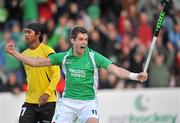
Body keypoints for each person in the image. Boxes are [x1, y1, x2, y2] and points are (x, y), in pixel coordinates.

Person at [6, 26, 147, 123]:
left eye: (86, 39)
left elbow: (116, 70)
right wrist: (15, 53)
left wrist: (135, 76)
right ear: (73, 41)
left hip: (88, 102)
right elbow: (35, 62)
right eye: (81, 39)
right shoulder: (64, 57)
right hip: (68, 102)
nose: (84, 42)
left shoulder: (93, 56)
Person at [8, 22, 61, 123]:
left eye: (29, 32)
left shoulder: (47, 50)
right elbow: (27, 77)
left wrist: (47, 93)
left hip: (47, 101)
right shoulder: (24, 54)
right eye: (25, 32)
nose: (26, 35)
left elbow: (56, 73)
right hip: (30, 101)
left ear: (38, 34)